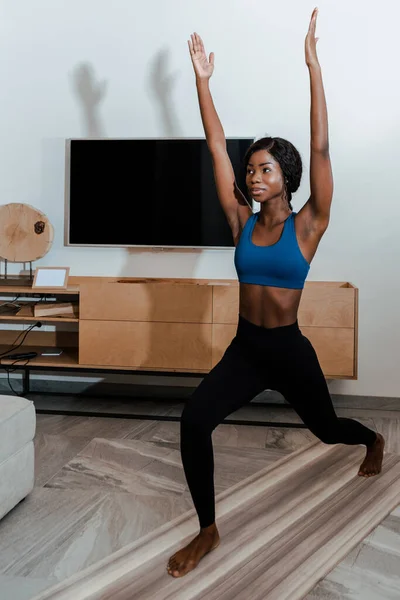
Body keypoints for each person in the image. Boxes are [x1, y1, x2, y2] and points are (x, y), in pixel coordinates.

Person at [167, 8, 385, 579]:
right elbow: (215, 147)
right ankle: (208, 530)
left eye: (264, 168)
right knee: (194, 421)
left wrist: (313, 66)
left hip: (289, 351)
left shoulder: (309, 223)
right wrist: (202, 83)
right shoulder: (241, 221)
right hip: (247, 348)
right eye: (251, 169)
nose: (253, 175)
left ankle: (374, 441)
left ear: (285, 176)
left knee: (328, 430)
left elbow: (321, 147)